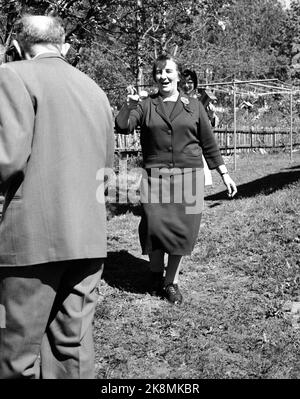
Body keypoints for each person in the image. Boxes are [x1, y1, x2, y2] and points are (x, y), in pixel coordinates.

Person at [0, 15, 114, 379]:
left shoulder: (12, 75)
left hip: (29, 243)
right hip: (89, 239)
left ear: (17, 48)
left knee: (16, 353)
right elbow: (106, 170)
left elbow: (8, 160)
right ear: (64, 47)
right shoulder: (95, 90)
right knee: (72, 350)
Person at [115, 54, 237, 305]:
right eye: (159, 72)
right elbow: (123, 126)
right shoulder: (146, 104)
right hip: (155, 176)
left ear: (178, 76)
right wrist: (128, 105)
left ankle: (170, 282)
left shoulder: (194, 105)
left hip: (190, 177)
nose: (163, 76)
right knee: (154, 226)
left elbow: (208, 142)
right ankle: (154, 272)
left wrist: (223, 173)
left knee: (184, 230)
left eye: (169, 71)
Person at [181, 68, 213, 185]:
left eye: (190, 82)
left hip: (195, 149)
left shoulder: (199, 102)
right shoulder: (174, 101)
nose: (186, 85)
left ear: (194, 84)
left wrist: (211, 115)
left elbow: (208, 129)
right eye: (183, 82)